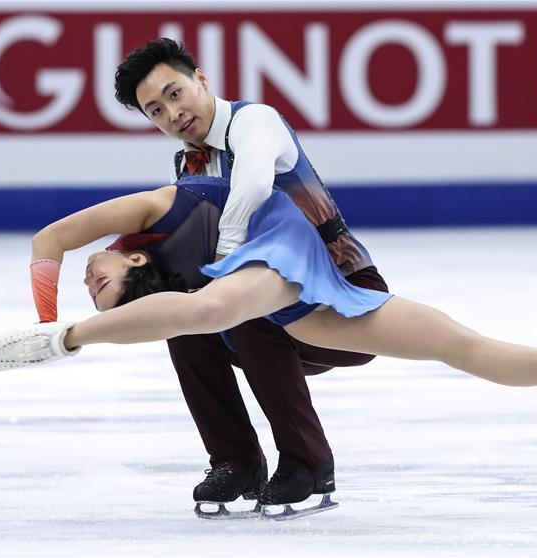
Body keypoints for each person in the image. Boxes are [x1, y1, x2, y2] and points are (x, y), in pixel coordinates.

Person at [0, 174, 537, 452]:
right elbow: (177, 313)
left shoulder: (165, 207)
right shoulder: (173, 293)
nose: (86, 276)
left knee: (216, 308)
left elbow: (51, 240)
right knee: (464, 348)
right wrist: (69, 332)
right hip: (308, 317)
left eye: (91, 277)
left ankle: (300, 465)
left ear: (131, 255)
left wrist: (52, 329)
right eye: (86, 292)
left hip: (294, 271)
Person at [105, 37, 387, 513]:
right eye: (155, 110)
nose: (171, 114)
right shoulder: (188, 165)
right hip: (272, 309)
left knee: (247, 310)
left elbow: (254, 184)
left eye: (174, 94)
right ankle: (235, 461)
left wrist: (224, 265)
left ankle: (308, 464)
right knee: (182, 317)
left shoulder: (254, 120)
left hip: (344, 296)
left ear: (200, 80)